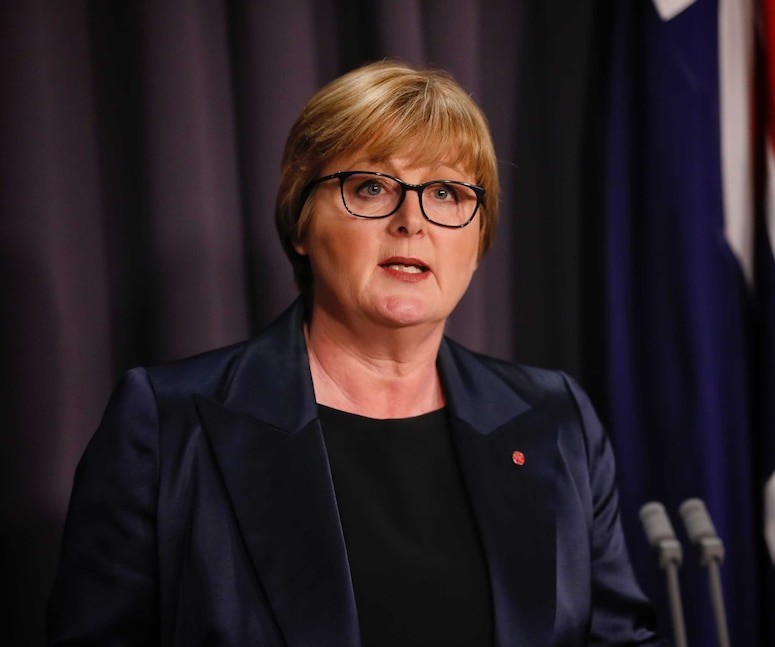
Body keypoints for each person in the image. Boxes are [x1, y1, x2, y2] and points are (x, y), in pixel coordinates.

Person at [47, 59, 665, 646]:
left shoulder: (557, 419)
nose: (412, 221)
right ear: (300, 223)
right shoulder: (167, 424)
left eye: (447, 193)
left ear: (479, 238)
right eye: (371, 186)